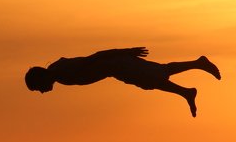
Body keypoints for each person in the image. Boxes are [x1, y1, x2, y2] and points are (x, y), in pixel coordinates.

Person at [25, 47, 221, 117]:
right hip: (118, 71)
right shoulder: (59, 75)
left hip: (120, 64)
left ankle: (198, 64)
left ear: (40, 78)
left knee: (157, 74)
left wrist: (125, 51)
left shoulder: (62, 71)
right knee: (151, 81)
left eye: (38, 88)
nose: (41, 91)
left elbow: (94, 57)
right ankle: (186, 92)